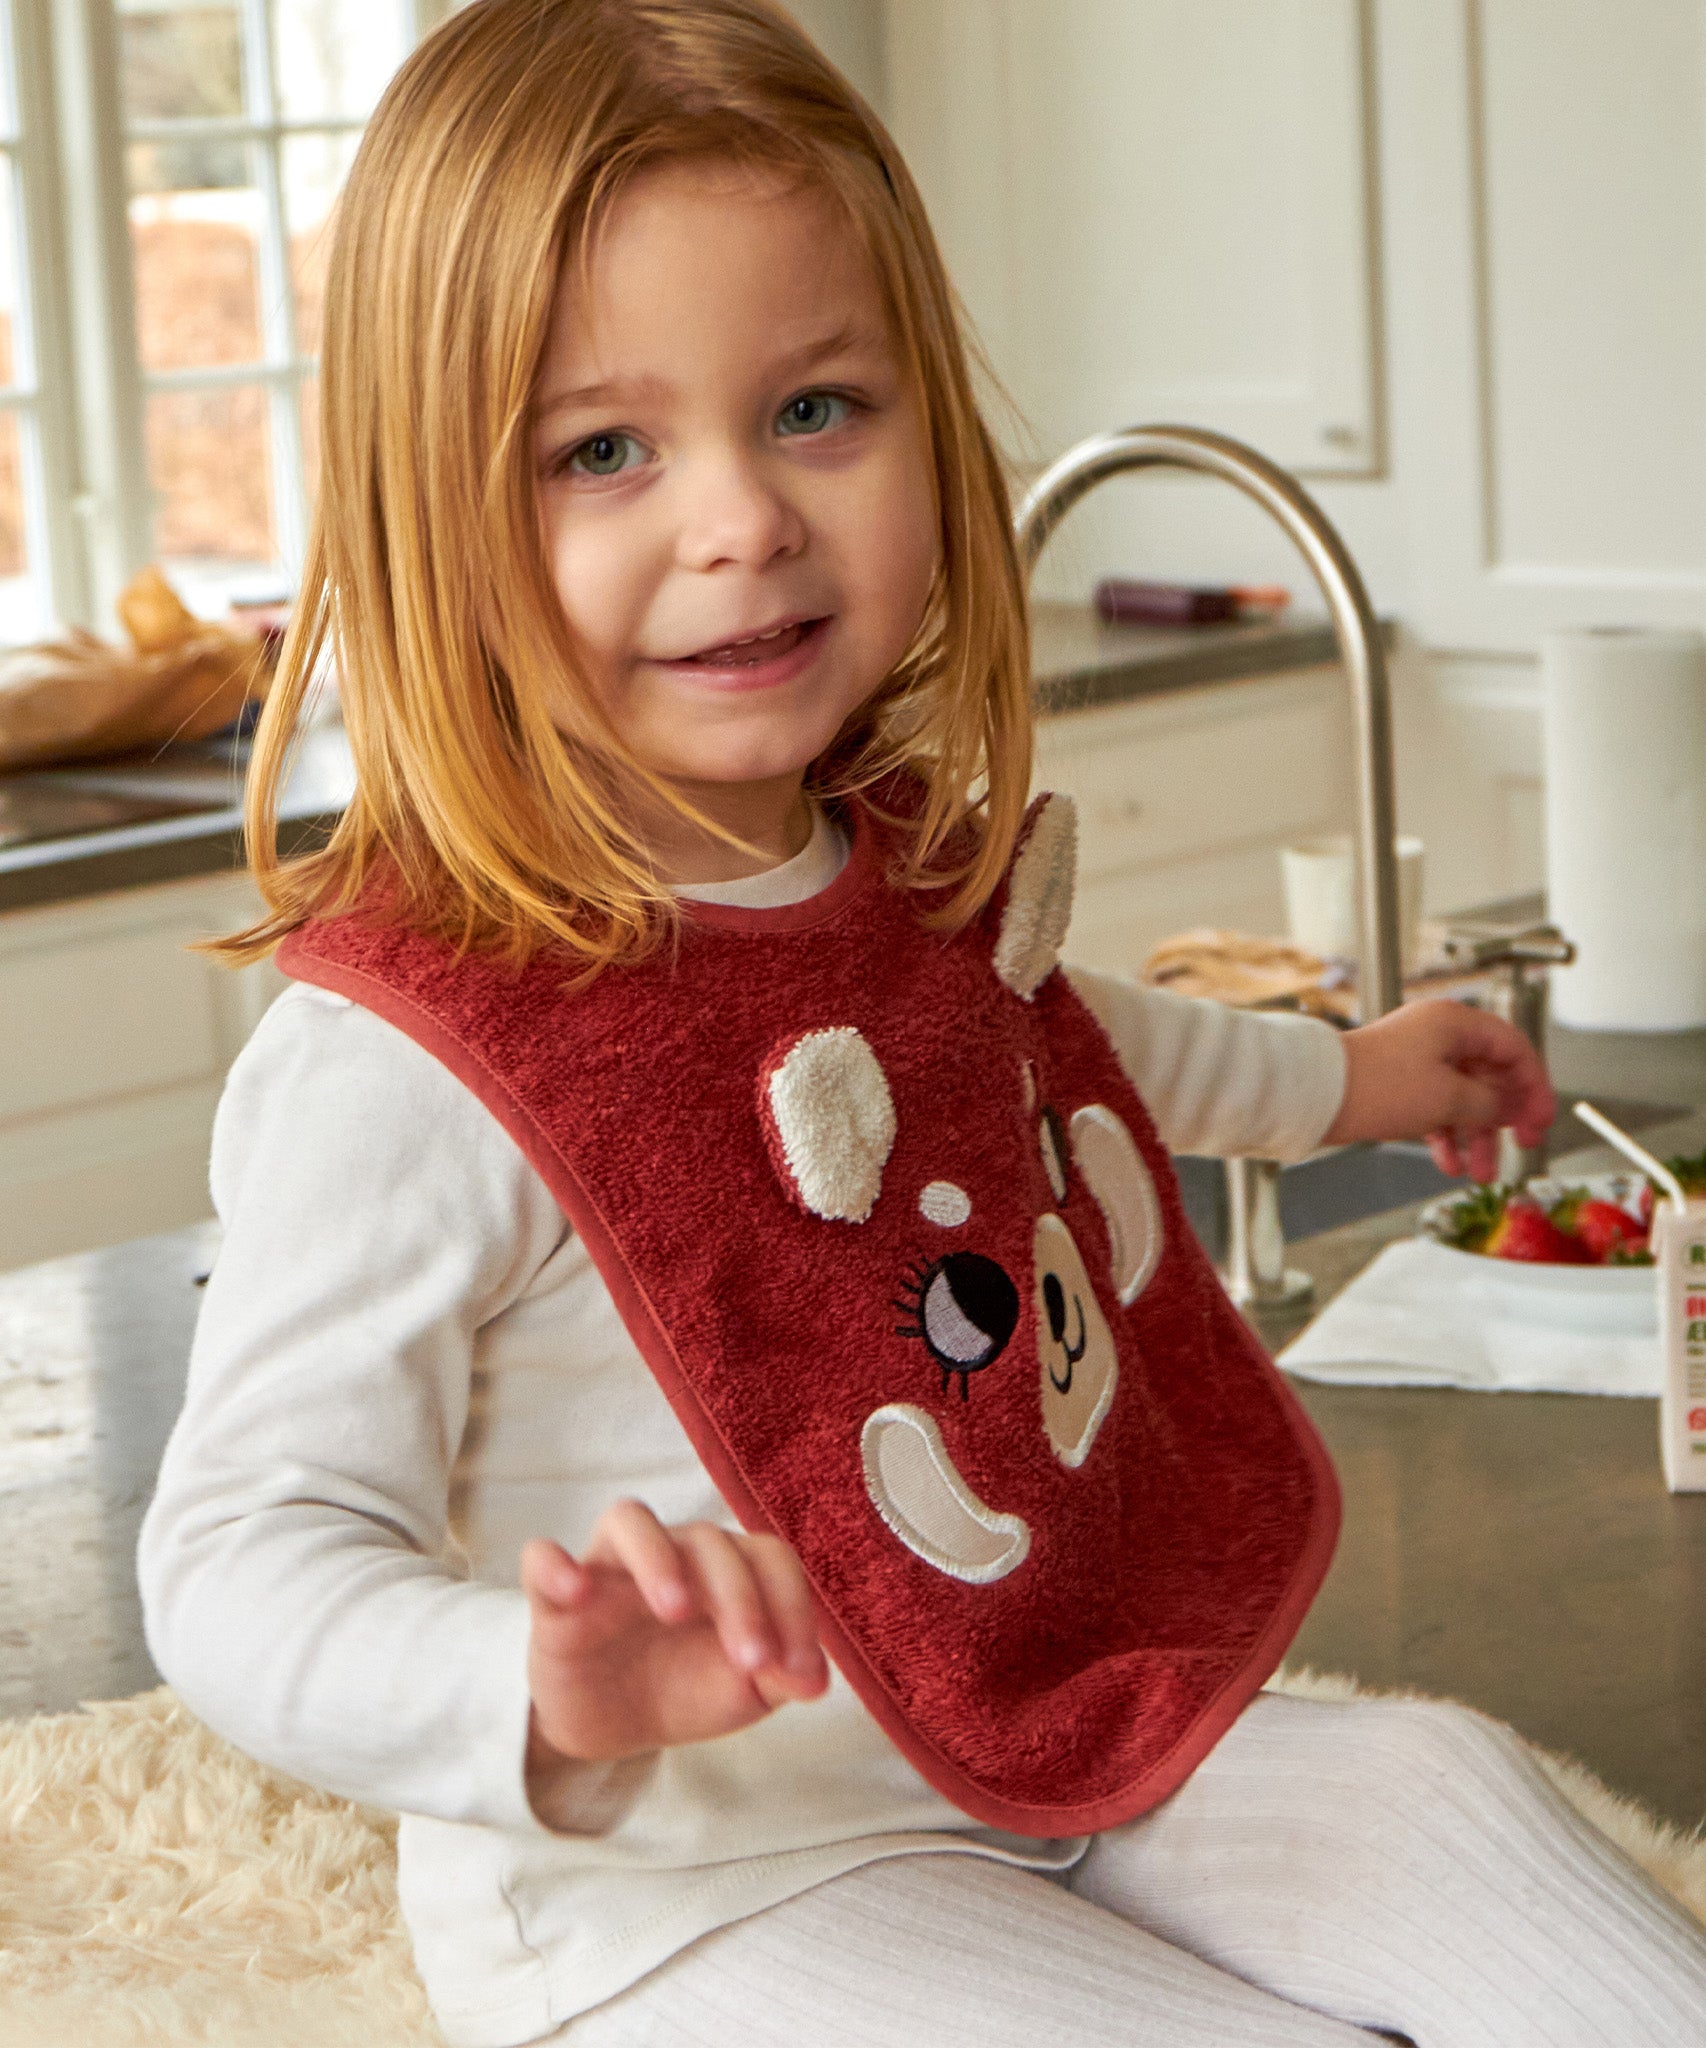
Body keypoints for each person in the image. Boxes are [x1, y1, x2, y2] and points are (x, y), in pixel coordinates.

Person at [136, 3, 1706, 2044]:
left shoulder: (885, 866)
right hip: (687, 1879)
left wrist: (1353, 1078)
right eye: (602, 449)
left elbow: (1047, 1046)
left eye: (817, 408)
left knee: (1449, 1797)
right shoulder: (415, 1049)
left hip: (1045, 1737)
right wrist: (528, 1688)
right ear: (435, 519)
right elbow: (241, 1557)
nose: (742, 520)